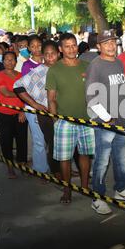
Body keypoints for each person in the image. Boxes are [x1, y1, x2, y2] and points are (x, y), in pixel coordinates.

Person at [85, 30, 125, 215]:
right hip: (105, 123)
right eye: (106, 43)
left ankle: (121, 189)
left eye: (113, 42)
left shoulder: (118, 62)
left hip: (121, 121)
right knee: (102, 161)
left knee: (121, 159)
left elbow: (124, 92)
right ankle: (97, 197)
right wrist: (107, 118)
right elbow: (91, 97)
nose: (110, 45)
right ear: (98, 46)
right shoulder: (95, 66)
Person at [46, 33, 95, 203]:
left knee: (85, 155)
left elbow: (95, 92)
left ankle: (85, 187)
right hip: (64, 121)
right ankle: (67, 190)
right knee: (64, 158)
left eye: (74, 45)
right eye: (67, 46)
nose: (71, 49)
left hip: (86, 120)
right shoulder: (54, 70)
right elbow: (51, 98)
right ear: (60, 49)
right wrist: (56, 120)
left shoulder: (88, 66)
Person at [14, 40, 61, 177]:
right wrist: (35, 105)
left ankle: (63, 171)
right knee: (45, 142)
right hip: (44, 113)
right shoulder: (37, 70)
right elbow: (18, 86)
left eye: (53, 54)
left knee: (61, 143)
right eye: (48, 54)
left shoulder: (62, 68)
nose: (50, 57)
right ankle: (44, 171)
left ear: (58, 53)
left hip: (63, 113)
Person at [0, 51, 28, 179]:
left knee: (22, 140)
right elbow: (6, 93)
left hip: (20, 113)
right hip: (4, 113)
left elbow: (27, 96)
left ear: (16, 61)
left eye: (12, 59)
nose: (10, 62)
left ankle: (22, 164)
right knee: (6, 141)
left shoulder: (21, 75)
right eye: (7, 59)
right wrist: (22, 94)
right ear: (3, 62)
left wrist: (23, 109)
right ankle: (10, 167)